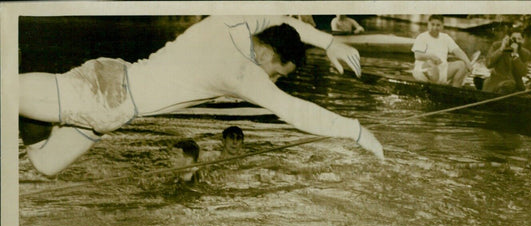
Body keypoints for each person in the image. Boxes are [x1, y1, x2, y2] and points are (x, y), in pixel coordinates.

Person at [19, 16, 383, 177]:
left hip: (109, 106)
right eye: (278, 73)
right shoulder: (243, 74)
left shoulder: (230, 20)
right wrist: (356, 130)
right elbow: (298, 113)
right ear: (272, 57)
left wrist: (329, 41)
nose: (273, 80)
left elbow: (278, 15)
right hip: (102, 95)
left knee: (45, 164)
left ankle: (29, 118)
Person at [411, 15, 473, 86]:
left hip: (442, 70)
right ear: (428, 24)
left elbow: (457, 51)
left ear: (442, 26)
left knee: (462, 65)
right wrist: (431, 56)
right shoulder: (422, 37)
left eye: (438, 25)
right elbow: (417, 55)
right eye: (432, 24)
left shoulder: (445, 37)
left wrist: (468, 63)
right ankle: (434, 89)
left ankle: (454, 90)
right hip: (424, 70)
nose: (435, 27)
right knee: (432, 66)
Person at [481, 30, 530, 94]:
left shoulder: (525, 53)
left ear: (523, 41)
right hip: (496, 83)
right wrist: (501, 49)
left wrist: (515, 55)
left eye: (519, 39)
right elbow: (488, 64)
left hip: (515, 86)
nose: (516, 41)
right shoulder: (497, 45)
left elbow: (523, 72)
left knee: (511, 85)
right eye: (514, 39)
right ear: (508, 38)